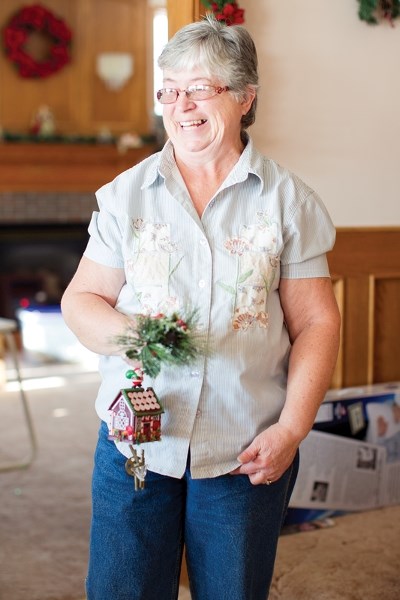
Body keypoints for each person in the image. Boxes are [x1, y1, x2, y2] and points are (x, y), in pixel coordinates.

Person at [61, 14, 341, 600]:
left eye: (199, 88)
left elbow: (316, 321)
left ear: (245, 97)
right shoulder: (124, 196)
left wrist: (292, 428)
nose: (181, 105)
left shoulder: (290, 202)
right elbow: (81, 301)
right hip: (134, 443)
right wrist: (136, 334)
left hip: (246, 449)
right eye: (169, 90)